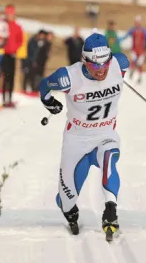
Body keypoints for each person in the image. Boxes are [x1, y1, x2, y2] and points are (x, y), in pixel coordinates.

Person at [39, 30, 130, 238]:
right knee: (65, 201)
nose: (102, 70)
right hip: (76, 141)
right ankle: (70, 211)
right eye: (95, 65)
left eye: (105, 63)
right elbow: (44, 85)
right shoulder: (68, 77)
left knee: (109, 159)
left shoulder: (120, 64)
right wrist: (49, 102)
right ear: (84, 60)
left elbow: (118, 66)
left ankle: (110, 209)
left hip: (105, 134)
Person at [119, 15, 146, 84]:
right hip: (134, 50)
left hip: (141, 51)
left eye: (138, 22)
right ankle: (132, 72)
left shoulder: (144, 31)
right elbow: (125, 36)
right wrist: (119, 40)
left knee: (140, 63)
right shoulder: (132, 30)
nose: (137, 23)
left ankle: (139, 77)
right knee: (134, 61)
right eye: (136, 22)